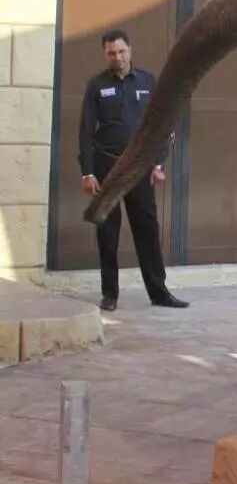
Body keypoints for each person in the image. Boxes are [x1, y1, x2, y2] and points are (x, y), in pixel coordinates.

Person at [78, 29, 188, 311]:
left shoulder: (148, 82)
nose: (117, 57)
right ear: (105, 54)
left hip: (139, 168)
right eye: (111, 53)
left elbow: (163, 124)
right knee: (107, 232)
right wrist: (88, 173)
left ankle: (159, 293)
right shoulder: (96, 85)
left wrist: (158, 163)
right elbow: (86, 131)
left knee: (147, 229)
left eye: (121, 51)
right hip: (107, 168)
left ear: (130, 50)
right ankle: (110, 294)